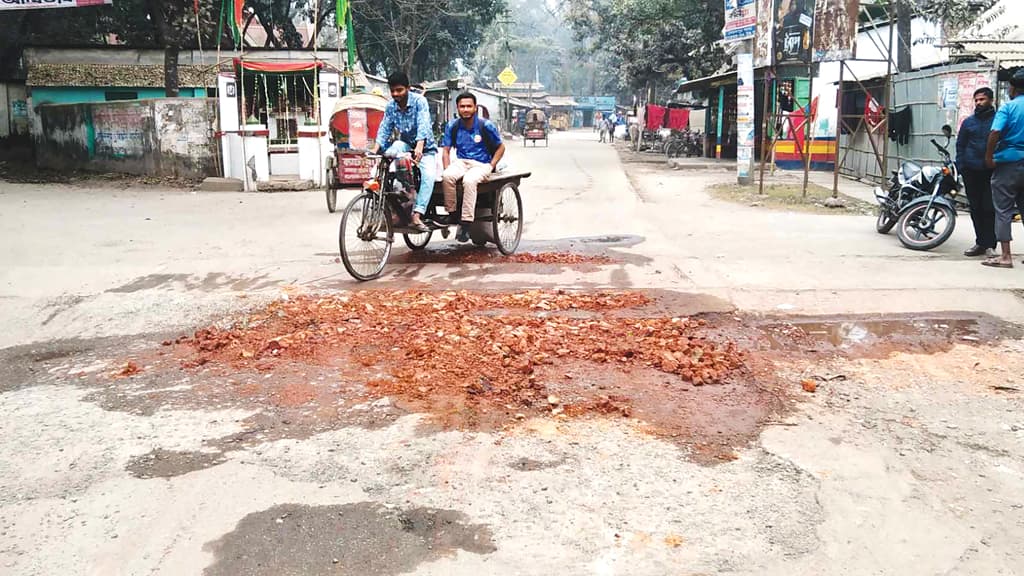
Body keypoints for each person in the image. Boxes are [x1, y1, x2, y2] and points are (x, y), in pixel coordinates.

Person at [368, 71, 437, 232]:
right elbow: (385, 128)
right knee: (390, 155)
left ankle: (417, 214)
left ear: (408, 88)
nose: (395, 94)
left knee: (429, 177)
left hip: (425, 148)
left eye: (399, 90)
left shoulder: (420, 101)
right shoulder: (391, 106)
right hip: (405, 144)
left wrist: (420, 146)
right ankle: (392, 204)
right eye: (392, 91)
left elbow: (424, 124)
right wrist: (375, 149)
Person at [440, 92, 507, 243]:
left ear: (475, 108)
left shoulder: (486, 125)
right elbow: (446, 150)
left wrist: (491, 166)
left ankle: (466, 223)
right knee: (447, 176)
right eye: (462, 106)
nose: (465, 109)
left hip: (481, 163)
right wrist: (446, 168)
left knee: (469, 181)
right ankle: (451, 213)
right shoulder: (453, 126)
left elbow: (501, 148)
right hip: (461, 162)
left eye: (469, 106)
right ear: (457, 108)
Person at [983, 69, 1024, 269]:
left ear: (1014, 87)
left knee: (1003, 209)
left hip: (1008, 163)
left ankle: (1006, 256)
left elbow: (995, 132)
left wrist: (989, 156)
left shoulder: (1008, 107)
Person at [956, 87, 997, 257]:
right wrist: (961, 166)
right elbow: (960, 145)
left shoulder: (998, 120)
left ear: (991, 100)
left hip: (990, 171)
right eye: (977, 100)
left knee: (989, 208)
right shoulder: (968, 122)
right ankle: (980, 243)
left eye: (982, 99)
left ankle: (990, 245)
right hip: (971, 170)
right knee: (975, 208)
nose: (979, 103)